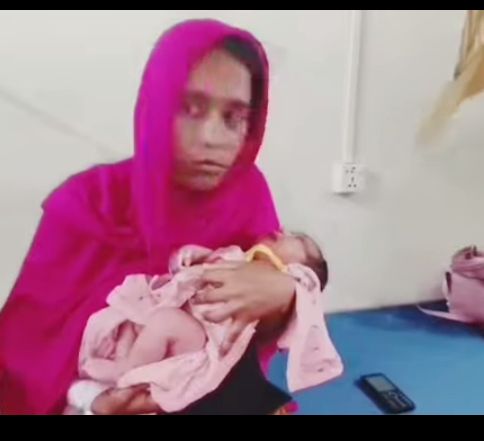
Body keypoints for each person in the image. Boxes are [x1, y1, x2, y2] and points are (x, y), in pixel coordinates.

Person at [0, 19, 308, 415]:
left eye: (234, 117)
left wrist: (286, 292)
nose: (212, 137)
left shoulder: (247, 196)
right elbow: (25, 351)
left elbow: (260, 325)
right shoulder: (88, 203)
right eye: (189, 109)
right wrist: (96, 404)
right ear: (155, 106)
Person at [65, 231, 337, 415]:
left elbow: (307, 290)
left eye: (300, 242)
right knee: (134, 326)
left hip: (199, 346)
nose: (284, 233)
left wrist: (287, 287)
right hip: (174, 323)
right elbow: (200, 266)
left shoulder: (278, 294)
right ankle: (100, 394)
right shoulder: (237, 257)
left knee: (166, 322)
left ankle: (125, 373)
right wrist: (195, 256)